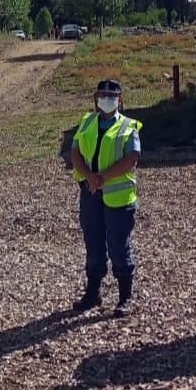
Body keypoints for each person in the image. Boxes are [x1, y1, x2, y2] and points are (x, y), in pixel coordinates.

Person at [69, 78, 142, 317]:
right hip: (91, 194)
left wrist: (102, 177)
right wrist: (90, 177)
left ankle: (125, 298)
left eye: (111, 96)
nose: (106, 100)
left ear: (120, 100)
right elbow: (75, 152)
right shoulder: (87, 121)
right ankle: (93, 293)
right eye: (102, 95)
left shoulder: (128, 126)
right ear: (95, 99)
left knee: (119, 246)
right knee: (93, 243)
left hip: (118, 198)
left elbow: (132, 158)